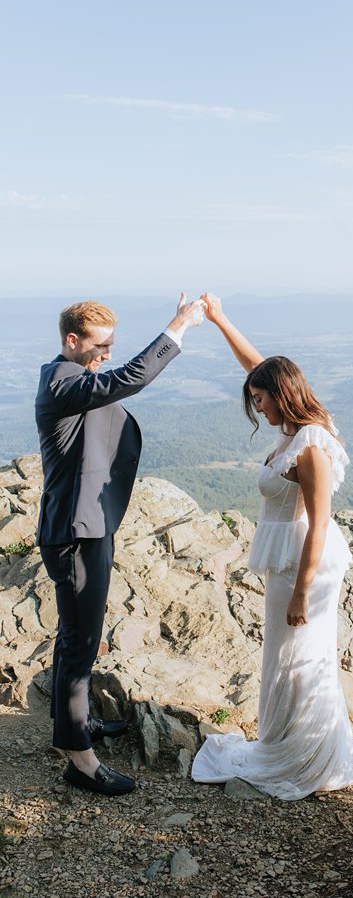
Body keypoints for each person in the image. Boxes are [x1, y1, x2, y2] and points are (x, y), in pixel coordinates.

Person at [191, 293, 353, 800]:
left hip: (305, 562)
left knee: (300, 654)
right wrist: (219, 319)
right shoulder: (292, 429)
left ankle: (306, 757)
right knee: (284, 657)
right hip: (288, 559)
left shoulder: (311, 445)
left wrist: (302, 593)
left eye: (260, 399)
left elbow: (321, 523)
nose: (256, 407)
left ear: (280, 396)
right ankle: (286, 739)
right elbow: (256, 365)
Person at [35, 293, 203, 796]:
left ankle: (77, 725)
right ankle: (80, 761)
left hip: (89, 525)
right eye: (99, 346)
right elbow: (129, 378)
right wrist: (179, 325)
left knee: (79, 634)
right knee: (79, 640)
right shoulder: (64, 380)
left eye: (111, 345)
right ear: (72, 340)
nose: (106, 354)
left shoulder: (73, 376)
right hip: (75, 532)